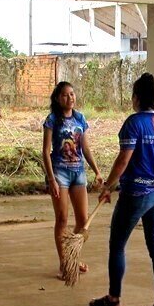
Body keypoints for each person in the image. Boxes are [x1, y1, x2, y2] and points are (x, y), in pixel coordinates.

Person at [89, 73, 154, 306]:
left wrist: (109, 185)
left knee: (117, 245)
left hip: (136, 193)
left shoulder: (133, 122)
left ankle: (113, 298)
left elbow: (124, 159)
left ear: (135, 98)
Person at [43, 81, 102, 279]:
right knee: (62, 219)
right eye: (66, 95)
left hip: (78, 173)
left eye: (72, 94)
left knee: (83, 221)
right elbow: (45, 151)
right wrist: (51, 179)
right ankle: (64, 264)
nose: (70, 98)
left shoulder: (80, 118)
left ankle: (72, 258)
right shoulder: (52, 120)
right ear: (58, 98)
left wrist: (97, 171)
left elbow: (85, 148)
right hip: (59, 173)